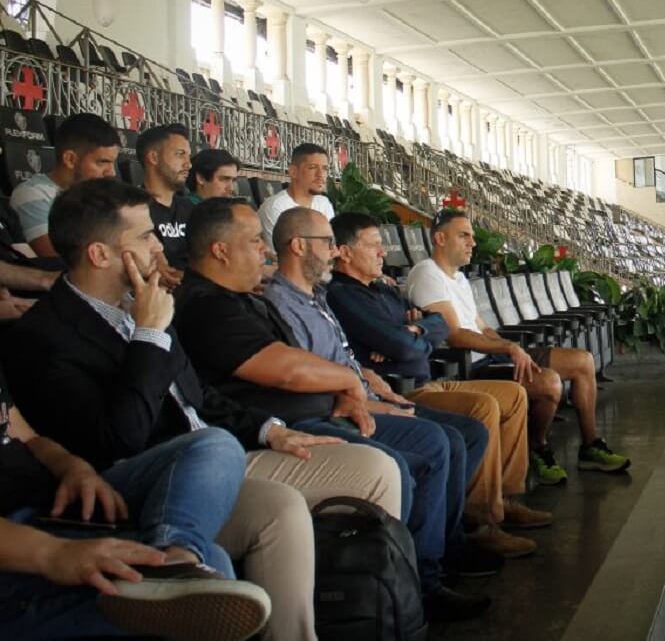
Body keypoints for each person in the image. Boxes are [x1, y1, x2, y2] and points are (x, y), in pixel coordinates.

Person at [2, 178, 406, 641]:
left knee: (310, 494)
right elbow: (116, 441)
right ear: (100, 255)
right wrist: (149, 336)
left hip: (216, 457)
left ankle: (342, 623)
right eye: (144, 236)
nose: (159, 246)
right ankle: (177, 558)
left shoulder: (144, 303)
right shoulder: (46, 335)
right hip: (141, 478)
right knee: (216, 453)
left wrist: (270, 430)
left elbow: (198, 399)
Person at [173, 197, 491, 620]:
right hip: (279, 429)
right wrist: (348, 383)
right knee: (412, 459)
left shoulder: (247, 299)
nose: (265, 250)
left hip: (324, 409)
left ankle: (417, 577)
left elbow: (311, 363)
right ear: (220, 250)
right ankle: (402, 591)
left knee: (450, 438)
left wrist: (350, 384)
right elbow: (285, 370)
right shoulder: (207, 306)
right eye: (254, 240)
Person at [324, 212, 553, 547]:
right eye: (374, 244)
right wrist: (408, 337)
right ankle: (480, 518)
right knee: (483, 408)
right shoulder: (344, 295)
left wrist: (415, 329)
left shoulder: (383, 291)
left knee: (515, 395)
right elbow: (404, 344)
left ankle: (502, 498)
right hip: (403, 391)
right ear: (344, 252)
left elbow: (439, 325)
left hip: (428, 375)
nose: (383, 252)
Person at [0, 367, 271, 640]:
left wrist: (73, 468)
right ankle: (170, 568)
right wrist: (54, 553)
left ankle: (175, 558)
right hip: (20, 551)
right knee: (212, 568)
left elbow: (25, 435)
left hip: (47, 509)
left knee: (215, 446)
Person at [407, 209, 630, 485]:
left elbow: (482, 326)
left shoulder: (460, 278)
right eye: (464, 235)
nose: (472, 243)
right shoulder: (427, 273)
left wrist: (507, 345)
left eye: (472, 237)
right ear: (440, 238)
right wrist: (509, 348)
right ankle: (539, 447)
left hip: (491, 352)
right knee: (549, 383)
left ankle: (590, 446)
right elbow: (455, 335)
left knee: (582, 361)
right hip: (469, 365)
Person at [10, 112, 119, 257]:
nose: (112, 173)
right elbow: (56, 257)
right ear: (70, 159)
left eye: (113, 163)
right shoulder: (33, 193)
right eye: (102, 162)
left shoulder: (99, 197)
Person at [136, 124, 194, 285]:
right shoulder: (131, 209)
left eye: (188, 156)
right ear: (154, 158)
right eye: (180, 154)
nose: (188, 164)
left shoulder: (189, 209)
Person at [257, 144, 334, 242]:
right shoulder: (277, 207)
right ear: (293, 171)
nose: (320, 174)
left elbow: (332, 246)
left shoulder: (324, 203)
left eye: (325, 168)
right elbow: (280, 256)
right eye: (312, 167)